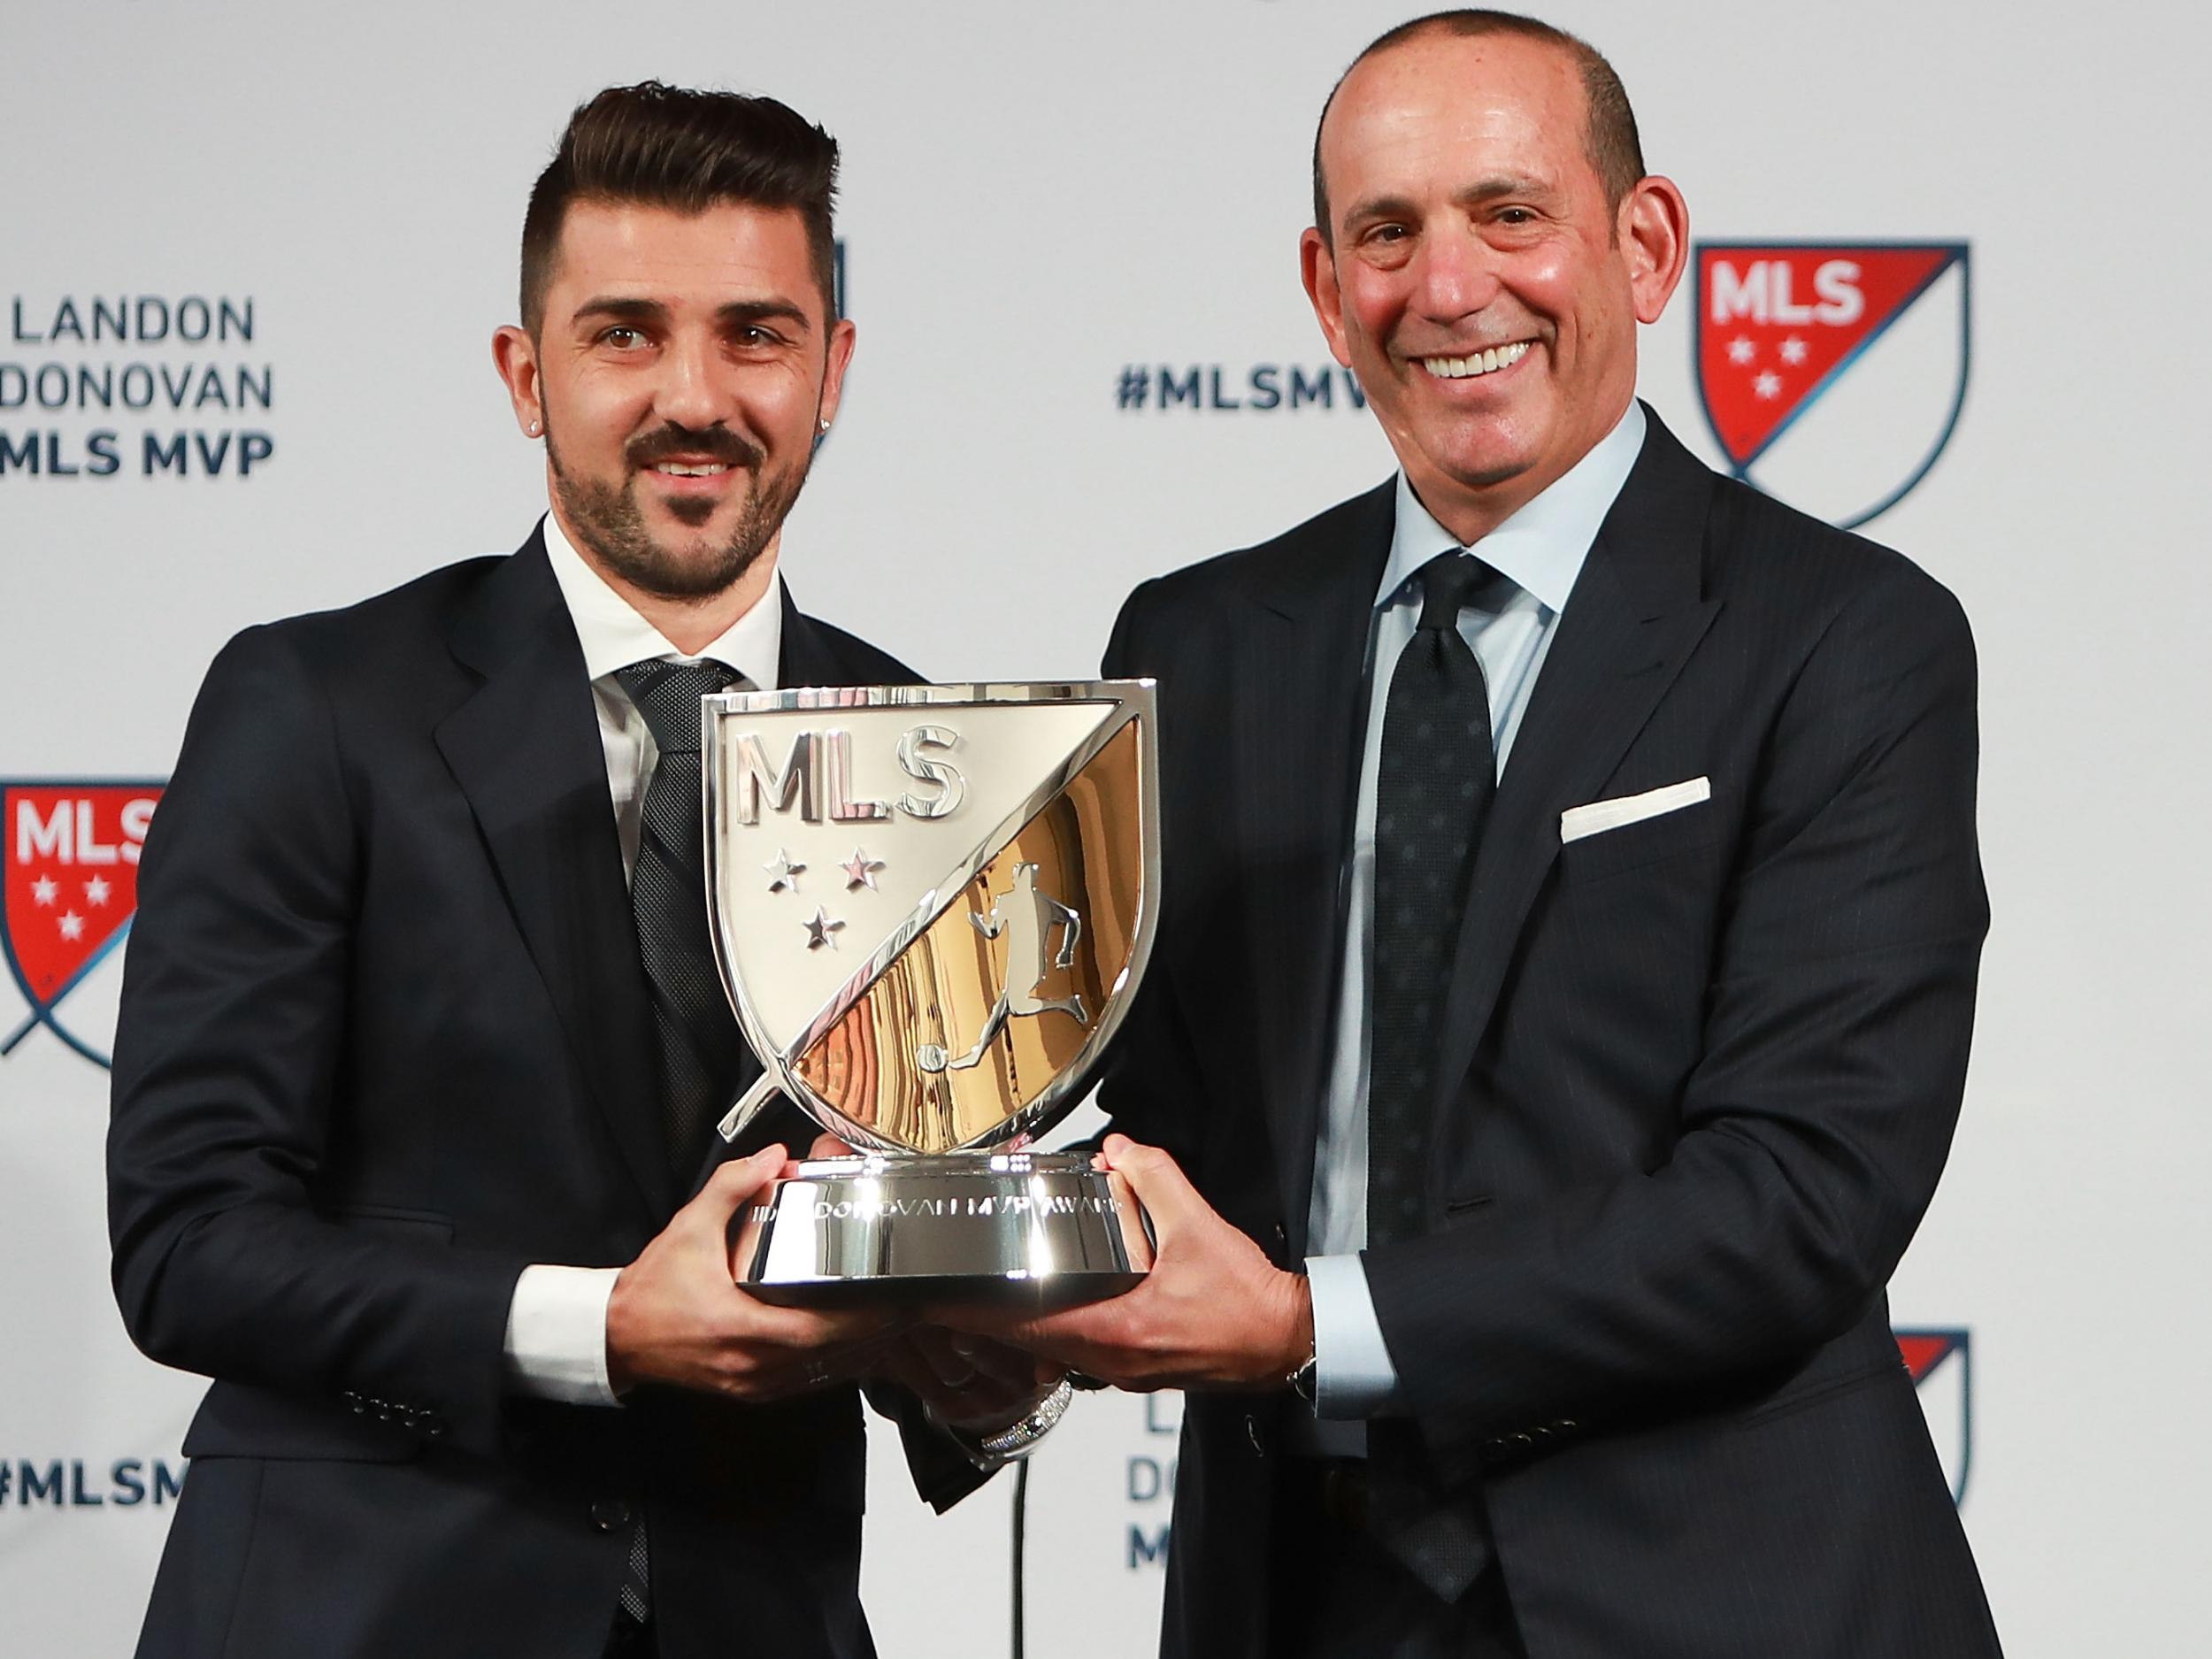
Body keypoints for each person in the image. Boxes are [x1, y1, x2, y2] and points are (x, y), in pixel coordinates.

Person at [955, 12, 2003, 1658]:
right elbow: (1150, 1124)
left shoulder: (1844, 638)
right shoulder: (1202, 642)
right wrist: (964, 1303)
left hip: (1722, 1598)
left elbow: (1799, 1194)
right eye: (1388, 233)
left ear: (1642, 246)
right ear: (1324, 290)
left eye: (1509, 214)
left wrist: (1314, 1326)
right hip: (1294, 1598)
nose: (1448, 289)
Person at [107, 82, 1051, 1659]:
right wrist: (599, 1328)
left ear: (835, 372)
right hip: (351, 1615)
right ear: (524, 374)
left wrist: (985, 1377)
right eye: (625, 334)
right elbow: (190, 1239)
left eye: (756, 333)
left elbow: (904, 1241)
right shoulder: (318, 704)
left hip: (761, 1614)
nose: (695, 394)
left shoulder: (929, 753)